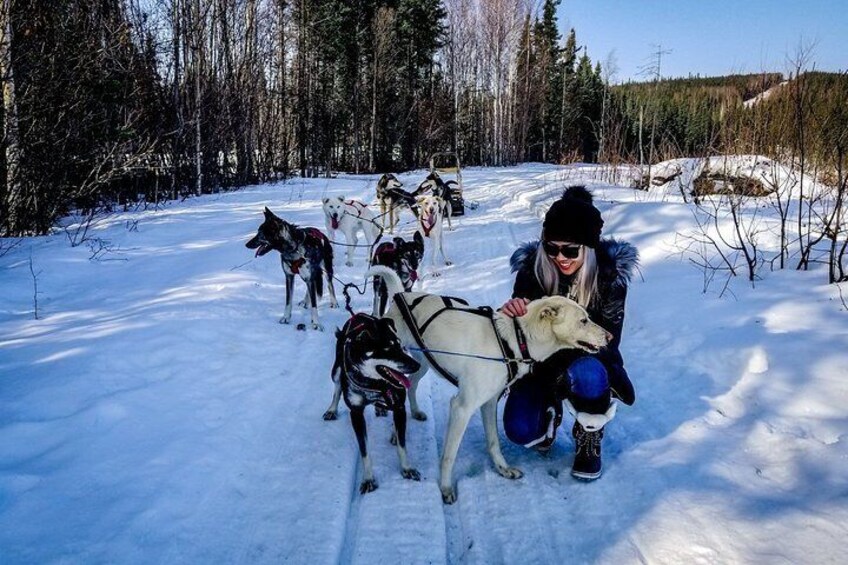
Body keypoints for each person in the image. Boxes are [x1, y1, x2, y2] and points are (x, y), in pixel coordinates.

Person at [500, 185, 638, 480]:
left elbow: (606, 343)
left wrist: (560, 365)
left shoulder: (609, 278)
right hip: (539, 366)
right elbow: (521, 338)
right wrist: (514, 313)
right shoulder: (532, 270)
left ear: (587, 248)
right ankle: (548, 412)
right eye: (551, 248)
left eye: (570, 250)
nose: (559, 257)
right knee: (520, 432)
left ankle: (590, 431)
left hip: (587, 361)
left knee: (589, 371)